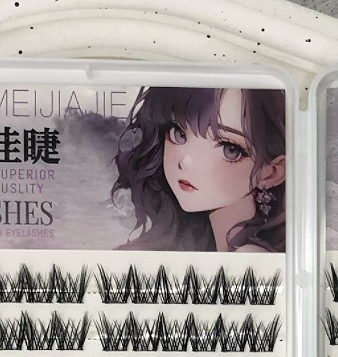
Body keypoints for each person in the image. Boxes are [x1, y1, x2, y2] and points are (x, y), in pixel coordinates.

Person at [114, 86, 286, 252]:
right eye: (179, 133)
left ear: (271, 173)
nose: (186, 162)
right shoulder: (203, 242)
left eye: (230, 150)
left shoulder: (249, 255)